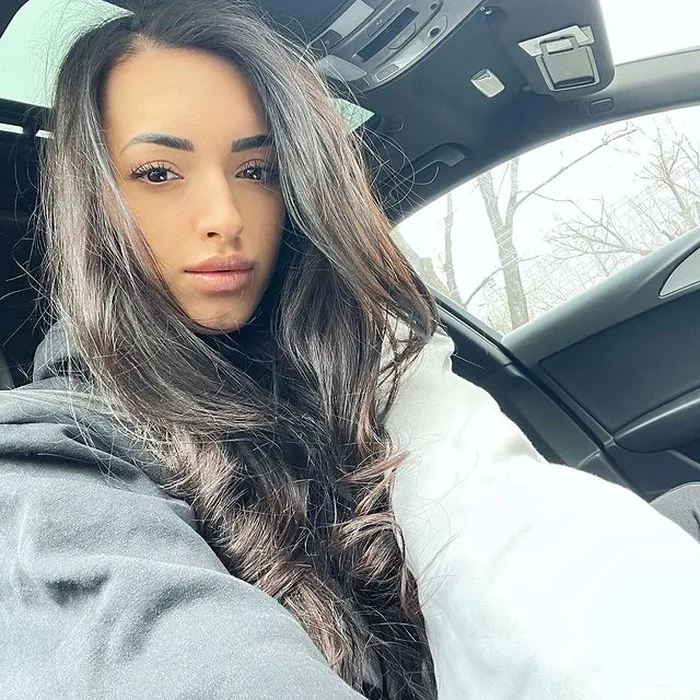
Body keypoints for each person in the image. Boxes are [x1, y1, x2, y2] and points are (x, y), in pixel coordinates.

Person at [2, 1, 700, 699]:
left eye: (258, 170)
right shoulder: (51, 455)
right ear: (94, 201)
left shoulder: (349, 372)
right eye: (159, 173)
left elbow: (511, 521)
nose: (223, 217)